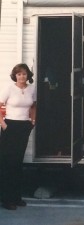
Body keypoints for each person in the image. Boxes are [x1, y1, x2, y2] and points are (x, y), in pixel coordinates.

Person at [0, 63, 36, 210]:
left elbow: (33, 105)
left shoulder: (31, 89)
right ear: (15, 75)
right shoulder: (9, 88)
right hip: (10, 127)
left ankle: (16, 197)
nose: (22, 76)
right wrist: (3, 125)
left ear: (28, 76)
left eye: (24, 74)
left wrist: (32, 121)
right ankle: (7, 199)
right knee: (8, 163)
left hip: (23, 127)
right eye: (19, 74)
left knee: (17, 163)